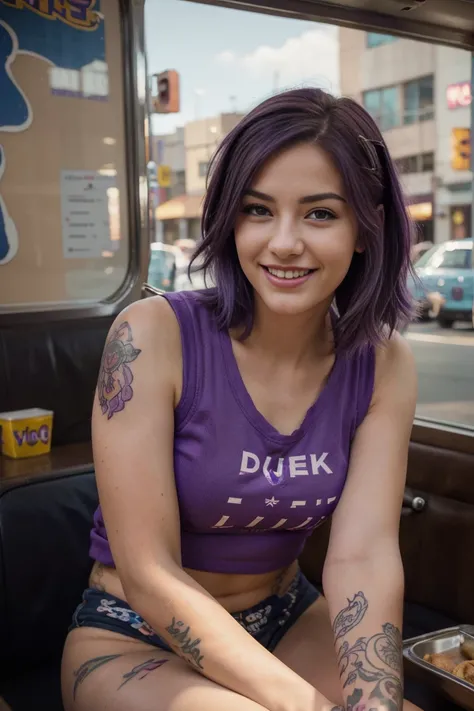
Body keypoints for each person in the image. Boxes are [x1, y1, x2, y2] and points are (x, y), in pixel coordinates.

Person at [61, 88, 419, 711]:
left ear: (367, 228)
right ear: (230, 219)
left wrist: (376, 704)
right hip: (135, 639)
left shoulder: (383, 363)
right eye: (258, 210)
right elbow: (149, 574)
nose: (283, 242)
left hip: (289, 616)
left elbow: (364, 556)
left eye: (320, 214)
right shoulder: (150, 336)